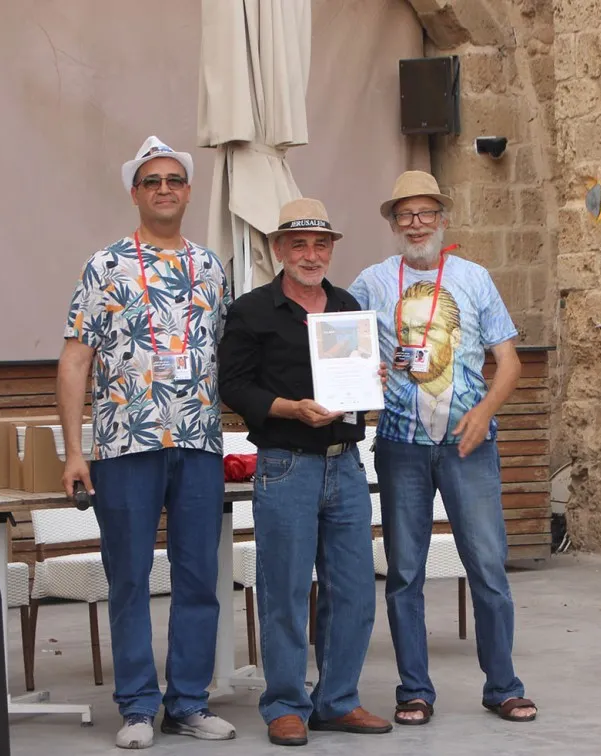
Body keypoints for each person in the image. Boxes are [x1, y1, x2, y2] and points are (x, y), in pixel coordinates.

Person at [56, 136, 236, 749]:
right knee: (129, 577)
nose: (164, 189)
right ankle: (137, 706)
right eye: (152, 181)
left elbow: (227, 354)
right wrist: (74, 450)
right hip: (124, 445)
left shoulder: (211, 268)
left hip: (198, 441)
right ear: (134, 193)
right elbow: (75, 360)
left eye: (174, 180)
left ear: (189, 192)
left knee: (199, 576)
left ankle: (188, 702)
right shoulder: (104, 265)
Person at [349, 170, 537, 725]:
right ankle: (414, 690)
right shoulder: (370, 282)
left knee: (488, 568)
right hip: (399, 445)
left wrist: (485, 411)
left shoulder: (475, 279)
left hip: (468, 445)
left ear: (443, 219)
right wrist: (366, 367)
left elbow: (510, 362)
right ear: (392, 223)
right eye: (405, 214)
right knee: (404, 573)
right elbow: (341, 346)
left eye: (426, 213)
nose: (416, 224)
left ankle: (503, 686)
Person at [218, 198, 392, 747]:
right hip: (285, 464)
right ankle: (285, 704)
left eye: (320, 244)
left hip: (346, 466)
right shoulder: (252, 311)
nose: (311, 255)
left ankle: (337, 701)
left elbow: (357, 382)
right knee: (286, 591)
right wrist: (291, 409)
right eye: (299, 245)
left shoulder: (346, 307)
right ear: (279, 249)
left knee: (354, 590)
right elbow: (233, 386)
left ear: (332, 249)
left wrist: (372, 379)